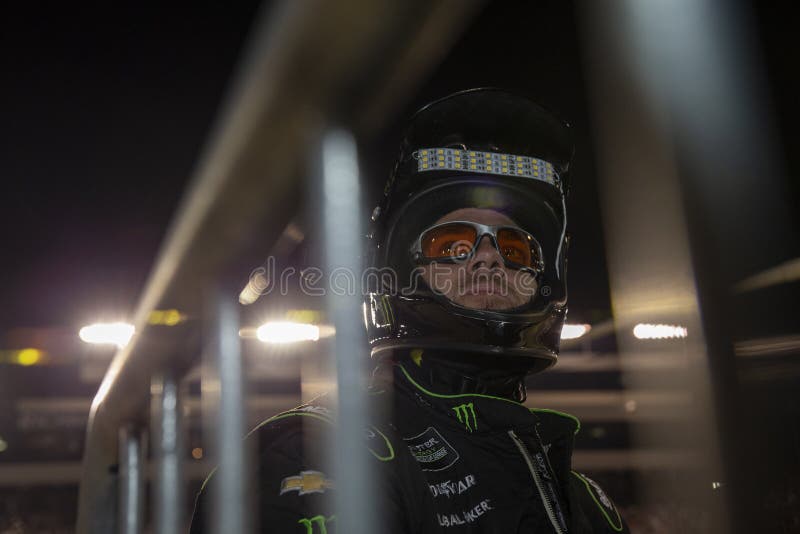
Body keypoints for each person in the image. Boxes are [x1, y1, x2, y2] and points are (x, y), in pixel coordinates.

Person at [190, 88, 629, 533]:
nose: (489, 258)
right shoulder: (316, 452)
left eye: (514, 248)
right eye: (453, 245)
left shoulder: (584, 500)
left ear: (540, 278)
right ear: (404, 269)